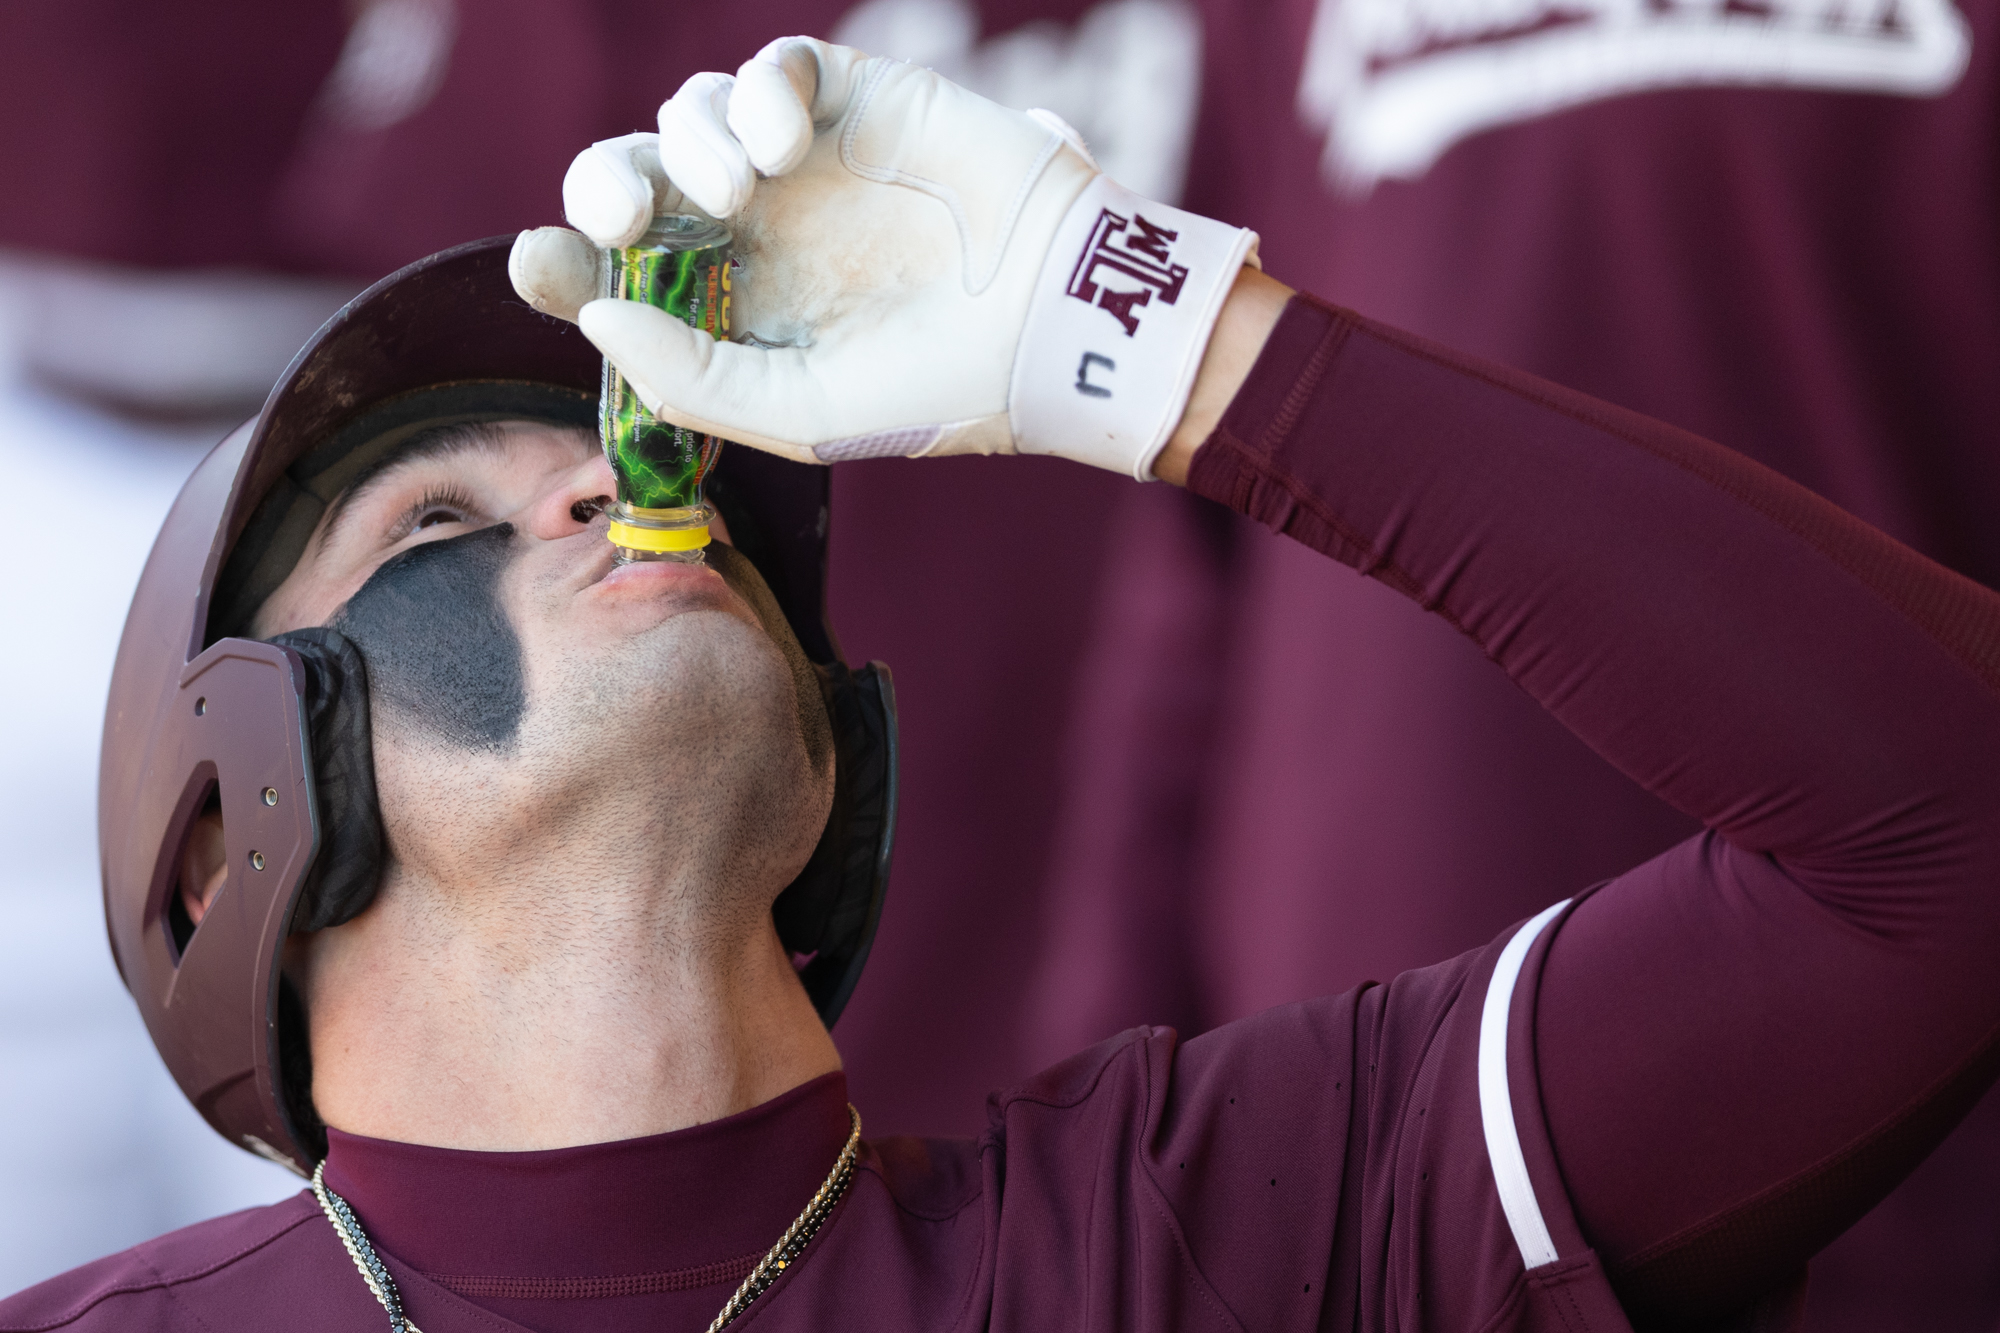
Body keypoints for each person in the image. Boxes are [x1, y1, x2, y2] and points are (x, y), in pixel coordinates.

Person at [6, 36, 1997, 1333]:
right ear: (222, 842)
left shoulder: (1238, 1228)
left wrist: (1141, 331)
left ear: (834, 766)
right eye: (438, 525)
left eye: (626, 453)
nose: (623, 470)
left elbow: (1947, 835)